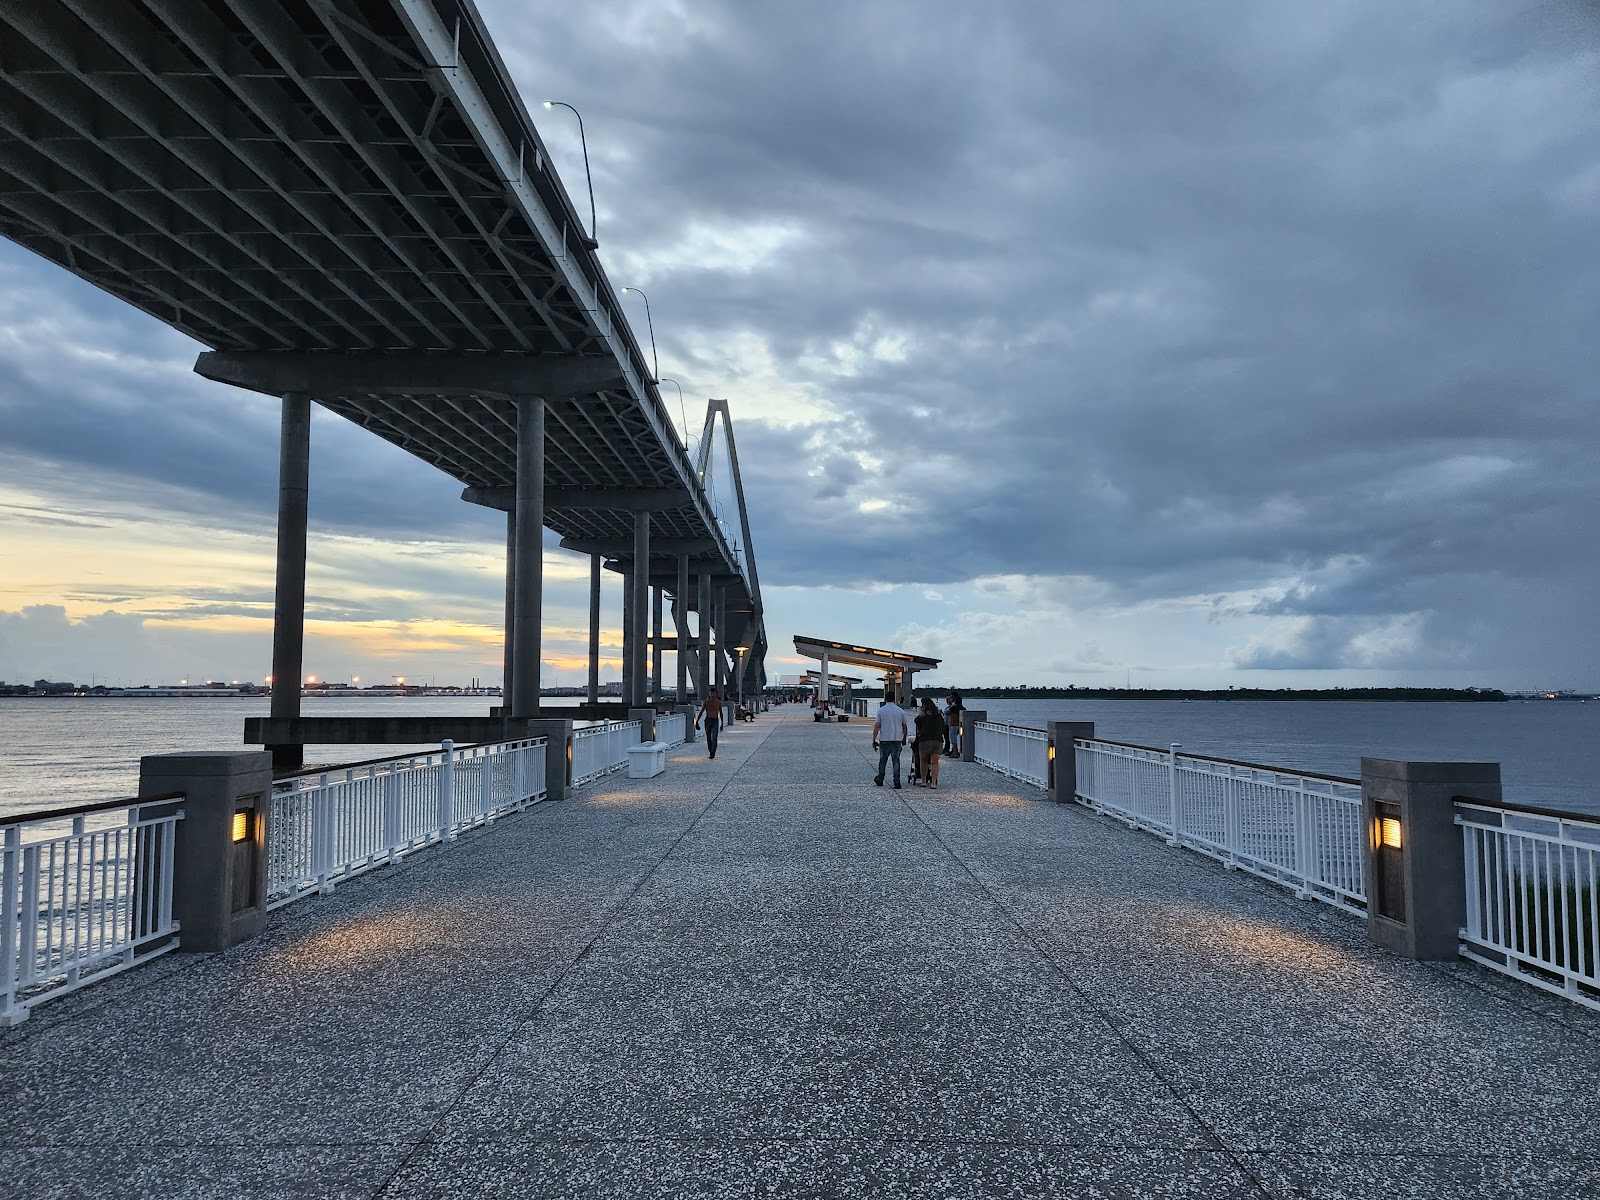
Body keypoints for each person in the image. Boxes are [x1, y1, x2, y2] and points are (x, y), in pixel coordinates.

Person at [870, 691, 908, 789]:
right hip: (897, 739)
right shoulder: (900, 711)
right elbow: (904, 726)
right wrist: (904, 738)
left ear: (885, 699)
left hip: (885, 740)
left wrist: (874, 739)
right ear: (894, 698)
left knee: (883, 761)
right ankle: (897, 781)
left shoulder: (881, 711)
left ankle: (880, 779)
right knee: (896, 761)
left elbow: (877, 726)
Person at [915, 697, 945, 790]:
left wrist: (920, 716)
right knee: (935, 762)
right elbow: (943, 727)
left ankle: (924, 781)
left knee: (923, 761)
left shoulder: (924, 714)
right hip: (938, 740)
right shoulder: (939, 714)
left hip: (925, 740)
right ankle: (933, 783)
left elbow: (917, 723)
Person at [695, 687, 724, 760]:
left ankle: (713, 752)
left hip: (715, 720)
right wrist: (697, 721)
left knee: (714, 737)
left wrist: (722, 724)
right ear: (709, 694)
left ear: (716, 694)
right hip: (708, 720)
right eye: (711, 693)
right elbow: (701, 712)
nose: (712, 695)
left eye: (714, 693)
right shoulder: (706, 702)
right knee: (708, 737)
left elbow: (721, 713)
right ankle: (710, 751)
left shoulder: (718, 702)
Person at [945, 691, 964, 757]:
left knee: (953, 739)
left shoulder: (954, 707)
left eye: (951, 696)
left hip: (953, 725)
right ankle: (954, 752)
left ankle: (955, 752)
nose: (950, 698)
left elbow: (947, 712)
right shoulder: (961, 707)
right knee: (956, 738)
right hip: (959, 725)